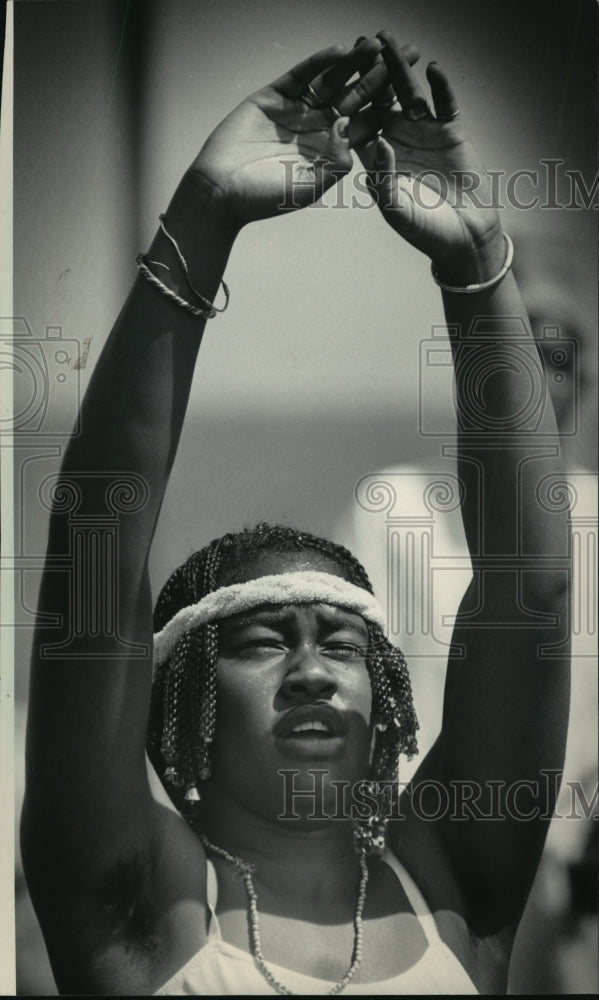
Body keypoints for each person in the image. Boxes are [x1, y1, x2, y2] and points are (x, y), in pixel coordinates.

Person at [21, 31, 571, 996]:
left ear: (387, 697)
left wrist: (478, 265)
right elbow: (96, 556)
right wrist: (201, 218)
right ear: (182, 688)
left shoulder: (451, 887)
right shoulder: (139, 902)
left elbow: (529, 590)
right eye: (265, 640)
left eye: (346, 645)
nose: (314, 670)